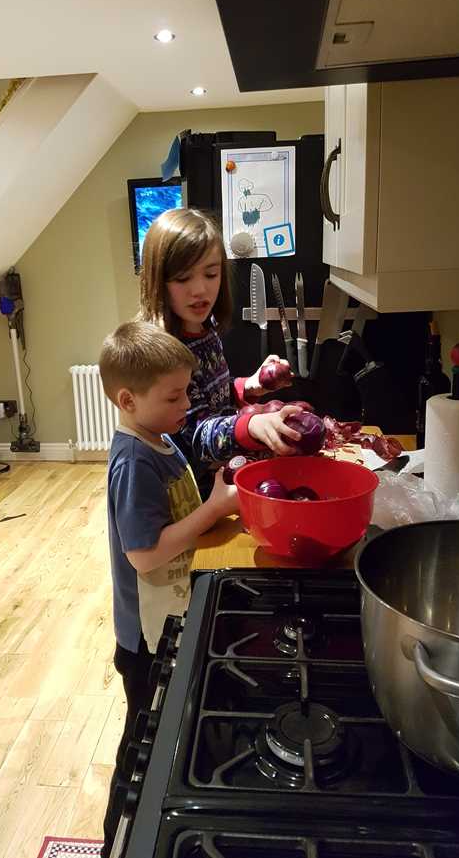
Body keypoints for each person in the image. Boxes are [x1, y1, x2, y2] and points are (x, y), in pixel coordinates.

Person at [98, 320, 239, 857]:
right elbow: (146, 551)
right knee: (140, 743)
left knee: (155, 733)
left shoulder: (157, 437)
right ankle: (118, 840)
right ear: (129, 399)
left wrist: (218, 513)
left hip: (164, 622)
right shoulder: (134, 460)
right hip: (144, 641)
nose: (187, 404)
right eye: (175, 396)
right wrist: (212, 510)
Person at [140, 207, 302, 498]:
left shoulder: (206, 328)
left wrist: (250, 386)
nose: (200, 289)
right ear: (157, 281)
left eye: (211, 274)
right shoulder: (163, 352)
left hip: (219, 479)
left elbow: (210, 398)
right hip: (190, 494)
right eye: (182, 278)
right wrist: (251, 424)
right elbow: (196, 436)